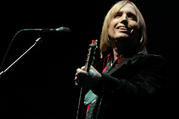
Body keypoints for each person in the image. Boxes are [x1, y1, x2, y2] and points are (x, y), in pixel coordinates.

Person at [74, 0, 167, 119]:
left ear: (140, 30)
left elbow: (142, 98)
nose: (124, 19)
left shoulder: (152, 63)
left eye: (131, 17)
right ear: (108, 27)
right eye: (118, 15)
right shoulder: (99, 66)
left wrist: (100, 81)